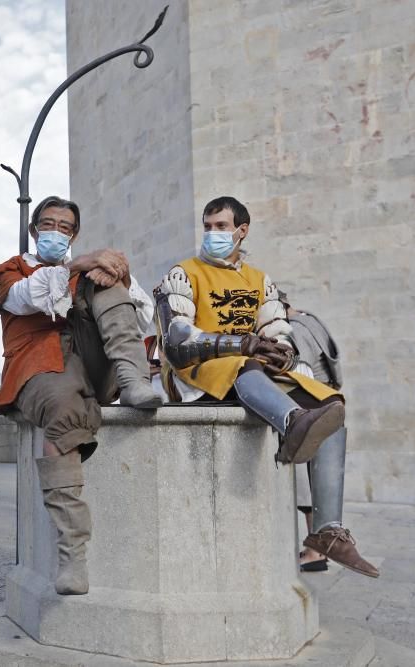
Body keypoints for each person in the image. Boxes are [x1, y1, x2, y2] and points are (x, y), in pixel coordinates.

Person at [154, 196, 377, 578]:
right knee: (245, 363)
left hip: (251, 366)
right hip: (198, 369)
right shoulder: (184, 273)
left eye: (221, 227)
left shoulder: (259, 279)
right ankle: (293, 424)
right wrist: (237, 343)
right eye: (208, 226)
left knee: (329, 403)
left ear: (242, 231)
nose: (212, 234)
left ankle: (327, 532)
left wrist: (282, 351)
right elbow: (177, 337)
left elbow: (277, 328)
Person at [0, 195, 162, 596]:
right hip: (40, 366)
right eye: (48, 225)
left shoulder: (86, 270)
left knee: (105, 277)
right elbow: (27, 297)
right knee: (63, 412)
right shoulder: (12, 271)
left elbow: (145, 315)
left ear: (74, 233)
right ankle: (72, 556)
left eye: (65, 228)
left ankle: (134, 380)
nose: (56, 232)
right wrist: (76, 264)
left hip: (97, 362)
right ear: (34, 229)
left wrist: (117, 273)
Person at [279, 290, 347, 572]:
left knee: (309, 486)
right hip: (330, 401)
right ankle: (320, 547)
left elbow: (301, 370)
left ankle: (315, 552)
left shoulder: (294, 329)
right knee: (324, 482)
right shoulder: (312, 320)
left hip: (313, 407)